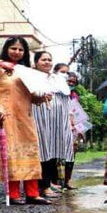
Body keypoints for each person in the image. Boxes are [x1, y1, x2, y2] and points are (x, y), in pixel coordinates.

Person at [0, 37, 51, 205]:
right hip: (5, 116)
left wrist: (42, 97)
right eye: (13, 48)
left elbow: (31, 97)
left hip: (25, 117)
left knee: (30, 151)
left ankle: (33, 193)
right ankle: (15, 194)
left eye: (20, 49)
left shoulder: (25, 71)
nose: (17, 52)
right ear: (6, 49)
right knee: (11, 154)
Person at [32, 52, 74, 198]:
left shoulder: (57, 78)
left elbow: (66, 96)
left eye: (50, 59)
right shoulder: (32, 76)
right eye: (44, 59)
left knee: (54, 149)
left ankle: (49, 182)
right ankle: (42, 186)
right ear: (36, 62)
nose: (47, 62)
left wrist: (69, 118)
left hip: (57, 119)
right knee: (43, 149)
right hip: (40, 115)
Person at [64, 72, 83, 189]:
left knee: (71, 155)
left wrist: (81, 129)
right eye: (69, 81)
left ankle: (67, 181)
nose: (71, 83)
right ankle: (56, 182)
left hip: (73, 129)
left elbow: (78, 113)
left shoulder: (75, 96)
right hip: (60, 128)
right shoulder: (58, 93)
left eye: (73, 82)